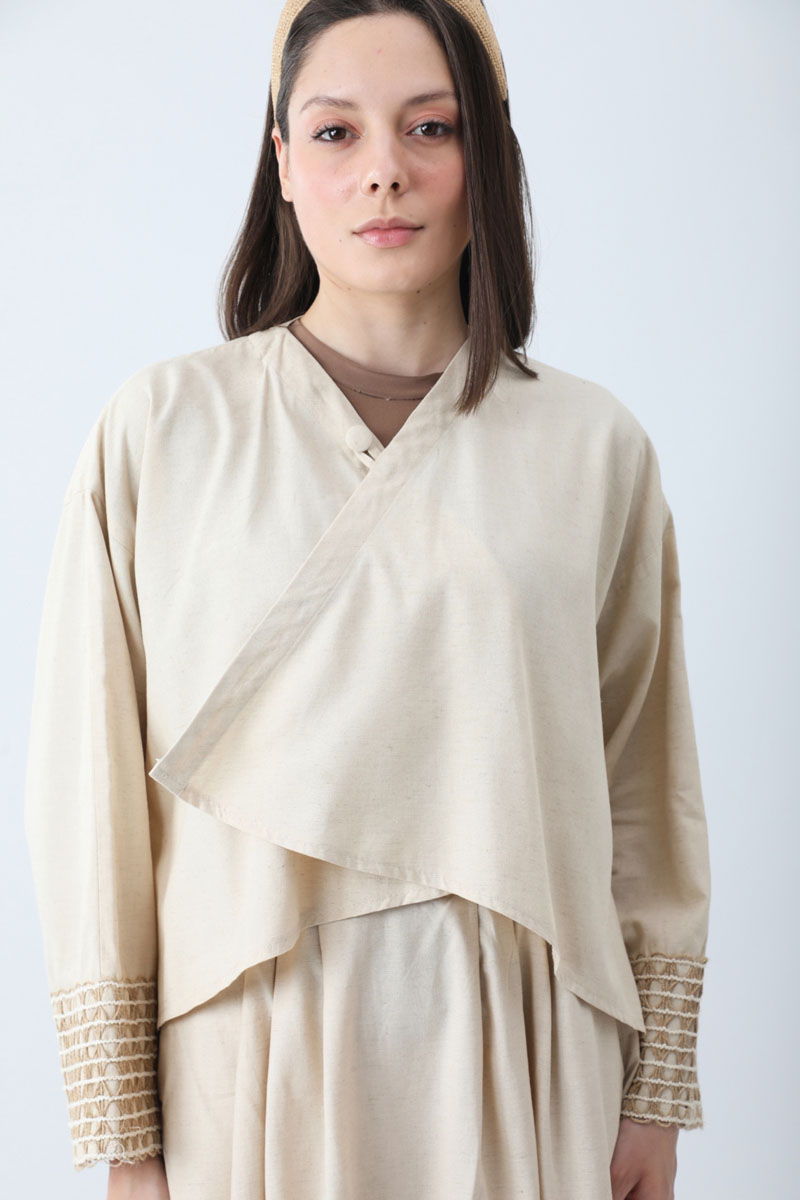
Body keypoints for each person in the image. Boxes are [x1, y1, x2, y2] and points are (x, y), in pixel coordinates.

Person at [23, 1, 712, 1198]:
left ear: (484, 153)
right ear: (282, 162)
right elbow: (89, 793)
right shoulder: (161, 431)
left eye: (429, 127)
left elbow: (646, 788)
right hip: (246, 1054)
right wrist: (124, 1131)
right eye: (335, 132)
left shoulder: (592, 445)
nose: (383, 170)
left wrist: (653, 1098)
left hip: (530, 1046)